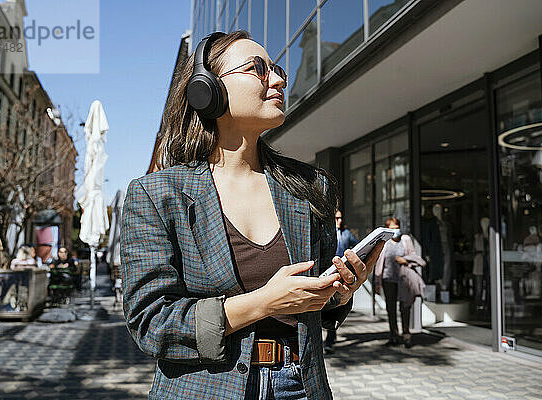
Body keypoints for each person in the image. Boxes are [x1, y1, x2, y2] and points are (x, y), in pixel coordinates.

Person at [121, 31, 383, 400]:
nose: (276, 80)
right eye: (257, 69)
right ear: (207, 89)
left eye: (277, 70)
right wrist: (263, 302)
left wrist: (339, 292)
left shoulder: (309, 186)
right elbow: (151, 322)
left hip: (301, 386)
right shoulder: (156, 195)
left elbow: (318, 307)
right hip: (203, 388)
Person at [375, 217, 417, 348]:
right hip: (388, 279)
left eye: (397, 227)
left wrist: (405, 260)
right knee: (391, 308)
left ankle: (406, 335)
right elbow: (379, 263)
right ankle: (393, 335)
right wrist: (377, 282)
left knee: (405, 307)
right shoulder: (385, 242)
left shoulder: (406, 239)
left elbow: (414, 255)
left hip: (404, 279)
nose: (395, 231)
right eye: (392, 229)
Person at [323, 209, 359, 353]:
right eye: (336, 218)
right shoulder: (325, 233)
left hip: (342, 273)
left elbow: (357, 246)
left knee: (337, 305)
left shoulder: (346, 234)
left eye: (340, 218)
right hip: (328, 272)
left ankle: (330, 339)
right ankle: (332, 335)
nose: (339, 221)